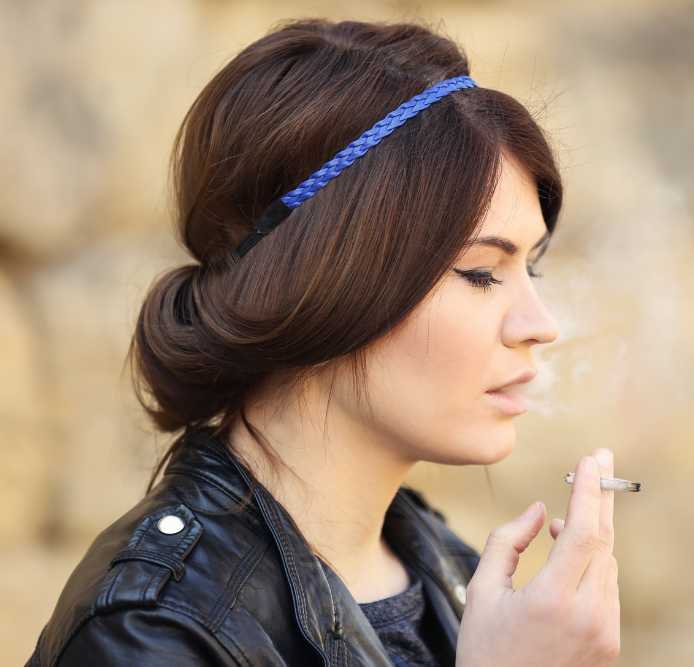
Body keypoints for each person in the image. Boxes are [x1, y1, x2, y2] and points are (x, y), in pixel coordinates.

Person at [27, 17, 620, 667]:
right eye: (482, 271)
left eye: (528, 267)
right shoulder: (151, 632)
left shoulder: (451, 573)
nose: (541, 324)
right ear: (331, 278)